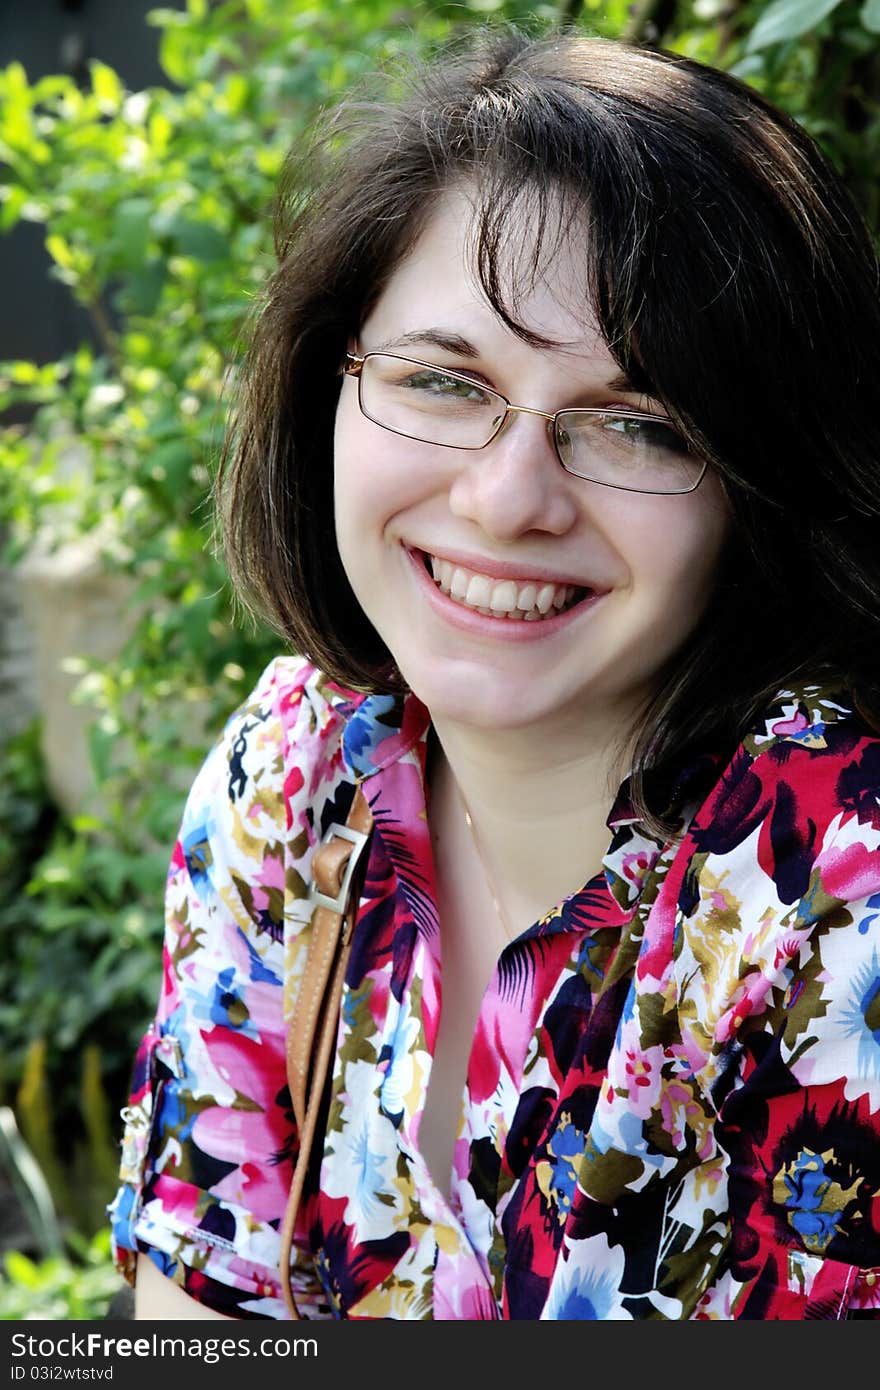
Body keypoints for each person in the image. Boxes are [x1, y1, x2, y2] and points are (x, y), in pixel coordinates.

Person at [107, 21, 880, 1320]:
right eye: (443, 382)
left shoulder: (834, 901)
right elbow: (199, 1307)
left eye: (637, 423)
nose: (509, 497)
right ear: (327, 391)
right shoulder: (294, 771)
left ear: (762, 483)